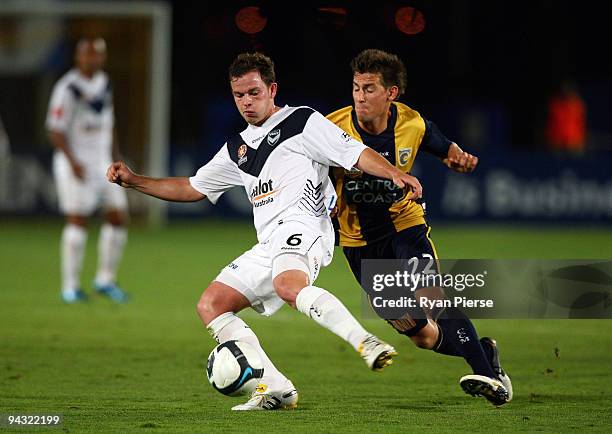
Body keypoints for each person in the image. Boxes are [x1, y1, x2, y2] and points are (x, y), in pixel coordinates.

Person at [107, 52, 424, 411]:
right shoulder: (237, 150)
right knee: (211, 304)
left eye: (254, 92)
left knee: (288, 285)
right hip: (269, 243)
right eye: (239, 95)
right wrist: (134, 181)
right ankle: (275, 387)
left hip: (306, 227)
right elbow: (192, 188)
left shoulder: (302, 122)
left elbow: (355, 153)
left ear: (272, 89)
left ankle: (365, 341)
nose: (246, 101)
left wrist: (394, 172)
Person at [326, 49, 512, 406]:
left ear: (391, 94)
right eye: (355, 88)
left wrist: (458, 159)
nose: (360, 97)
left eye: (368, 89)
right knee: (421, 334)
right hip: (358, 241)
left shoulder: (413, 124)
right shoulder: (331, 128)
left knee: (432, 298)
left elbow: (445, 148)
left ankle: (490, 379)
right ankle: (484, 353)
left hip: (405, 224)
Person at [46, 38, 129, 304]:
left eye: (97, 55)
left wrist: (116, 158)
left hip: (103, 162)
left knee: (118, 216)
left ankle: (105, 280)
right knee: (78, 220)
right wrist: (72, 162)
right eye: (87, 55)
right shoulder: (67, 87)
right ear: (78, 57)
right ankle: (69, 287)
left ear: (102, 58)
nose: (92, 59)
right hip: (76, 163)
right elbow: (55, 130)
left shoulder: (104, 82)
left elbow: (109, 124)